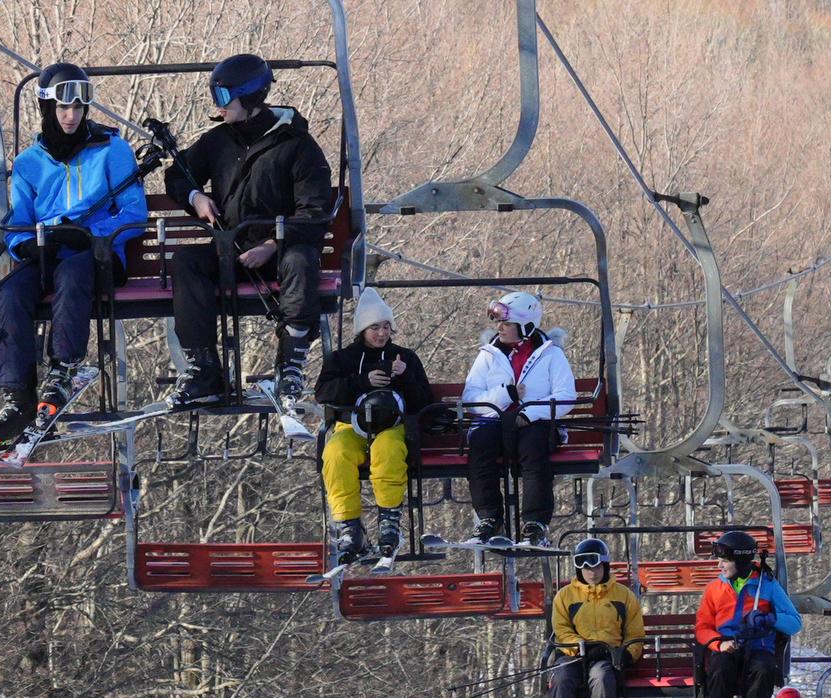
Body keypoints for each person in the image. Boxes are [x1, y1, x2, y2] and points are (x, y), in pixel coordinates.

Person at [0, 62, 148, 450]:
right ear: (47, 110)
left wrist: (90, 234)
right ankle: (18, 395)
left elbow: (134, 213)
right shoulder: (29, 163)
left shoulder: (112, 150)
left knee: (74, 271)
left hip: (99, 256)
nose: (71, 116)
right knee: (11, 291)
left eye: (77, 108)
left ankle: (64, 369)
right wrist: (23, 244)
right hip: (48, 254)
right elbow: (18, 221)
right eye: (62, 109)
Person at [164, 54, 335, 409]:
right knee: (187, 261)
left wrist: (273, 243)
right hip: (232, 247)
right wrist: (196, 198)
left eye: (225, 98)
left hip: (280, 251)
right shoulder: (218, 141)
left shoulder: (297, 146)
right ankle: (204, 370)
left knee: (301, 261)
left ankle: (291, 360)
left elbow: (314, 211)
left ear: (251, 97)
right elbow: (178, 173)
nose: (218, 107)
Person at [315, 288, 435, 562]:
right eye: (374, 328)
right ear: (362, 330)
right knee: (335, 455)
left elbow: (424, 402)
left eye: (386, 327)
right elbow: (323, 392)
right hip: (352, 426)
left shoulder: (405, 358)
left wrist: (404, 379)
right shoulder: (342, 359)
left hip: (393, 425)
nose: (382, 334)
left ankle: (390, 519)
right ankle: (348, 526)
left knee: (388, 449)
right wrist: (361, 382)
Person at [460, 291, 578, 547]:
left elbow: (566, 395)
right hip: (495, 421)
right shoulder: (489, 354)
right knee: (480, 445)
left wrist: (530, 413)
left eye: (506, 323)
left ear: (524, 326)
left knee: (532, 448)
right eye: (499, 323)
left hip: (536, 423)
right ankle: (489, 518)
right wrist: (506, 396)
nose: (499, 328)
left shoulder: (550, 354)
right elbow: (471, 397)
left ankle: (535, 523)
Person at [689, 531, 802, 698]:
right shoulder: (715, 588)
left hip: (757, 647)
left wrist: (770, 620)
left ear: (739, 561)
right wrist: (719, 643)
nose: (719, 566)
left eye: (724, 560)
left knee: (763, 670)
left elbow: (795, 622)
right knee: (718, 668)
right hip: (728, 646)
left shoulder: (766, 585)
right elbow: (703, 626)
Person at [545, 538, 645, 698]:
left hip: (608, 657)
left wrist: (625, 655)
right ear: (579, 568)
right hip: (575, 655)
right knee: (559, 678)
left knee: (601, 678)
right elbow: (560, 630)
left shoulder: (623, 595)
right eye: (586, 567)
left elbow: (635, 632)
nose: (591, 572)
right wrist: (579, 646)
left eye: (596, 566)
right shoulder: (565, 596)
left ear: (605, 566)